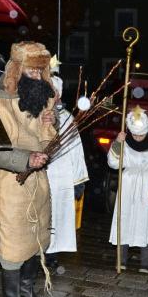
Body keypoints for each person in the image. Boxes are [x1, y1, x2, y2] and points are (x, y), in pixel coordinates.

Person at [0, 41, 58, 297]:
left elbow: (50, 145)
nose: (37, 78)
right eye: (31, 72)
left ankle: (27, 290)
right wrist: (26, 160)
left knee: (36, 236)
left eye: (41, 72)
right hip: (11, 182)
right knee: (13, 245)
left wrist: (51, 126)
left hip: (38, 182)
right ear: (16, 70)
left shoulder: (42, 101)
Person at [108, 106, 148, 273]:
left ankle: (145, 262)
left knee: (145, 223)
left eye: (141, 135)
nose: (138, 137)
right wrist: (118, 143)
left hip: (146, 187)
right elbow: (113, 163)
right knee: (124, 220)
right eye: (135, 134)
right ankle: (122, 259)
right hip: (127, 185)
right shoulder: (125, 143)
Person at [45, 74, 89, 268]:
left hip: (61, 175)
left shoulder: (66, 118)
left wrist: (78, 180)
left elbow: (75, 150)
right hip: (41, 172)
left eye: (53, 92)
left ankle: (51, 254)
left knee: (57, 214)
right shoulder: (35, 114)